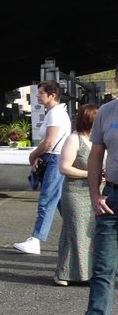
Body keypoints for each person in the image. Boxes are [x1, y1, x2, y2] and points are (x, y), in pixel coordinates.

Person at [57, 75, 118, 315]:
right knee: (102, 270)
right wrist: (95, 195)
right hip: (113, 197)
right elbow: (95, 156)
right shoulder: (107, 112)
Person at [14, 80, 72, 255]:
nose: (37, 96)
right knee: (60, 201)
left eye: (40, 93)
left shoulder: (55, 114)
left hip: (54, 158)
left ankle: (36, 239)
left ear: (52, 95)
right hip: (54, 158)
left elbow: (49, 142)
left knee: (47, 200)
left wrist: (33, 155)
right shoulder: (55, 113)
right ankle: (81, 233)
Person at [55, 104, 100, 285]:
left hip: (98, 191)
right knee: (77, 232)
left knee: (94, 232)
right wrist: (91, 174)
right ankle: (66, 273)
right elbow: (64, 168)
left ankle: (90, 272)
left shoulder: (99, 139)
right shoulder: (74, 139)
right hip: (76, 192)